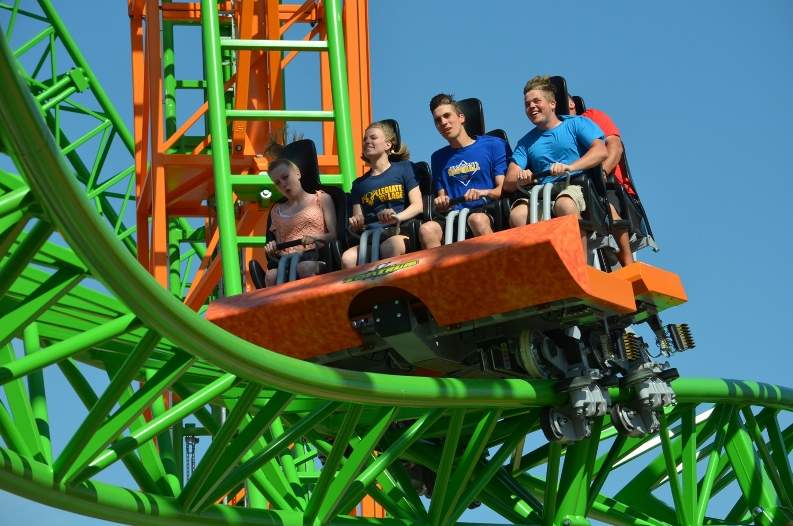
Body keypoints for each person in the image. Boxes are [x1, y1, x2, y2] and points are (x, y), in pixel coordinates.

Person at [503, 76, 607, 262]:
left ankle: (580, 265)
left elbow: (600, 151)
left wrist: (571, 167)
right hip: (543, 193)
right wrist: (522, 176)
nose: (531, 107)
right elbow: (509, 182)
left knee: (564, 205)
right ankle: (537, 266)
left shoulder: (575, 124)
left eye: (536, 101)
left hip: (573, 186)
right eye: (527, 104)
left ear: (552, 104)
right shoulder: (526, 143)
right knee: (518, 215)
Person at [419, 94, 508, 249]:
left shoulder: (494, 145)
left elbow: (502, 189)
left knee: (477, 220)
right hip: (455, 217)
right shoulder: (438, 158)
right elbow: (443, 198)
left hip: (486, 211)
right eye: (438, 120)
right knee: (427, 229)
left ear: (461, 117)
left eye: (447, 116)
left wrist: (482, 192)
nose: (443, 123)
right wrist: (441, 203)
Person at [341, 121, 423, 268]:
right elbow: (359, 219)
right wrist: (356, 223)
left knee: (390, 246)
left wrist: (396, 217)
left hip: (399, 230)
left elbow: (418, 205)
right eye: (365, 139)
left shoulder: (405, 168)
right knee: (348, 258)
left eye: (373, 138)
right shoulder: (359, 184)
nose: (367, 142)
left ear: (388, 145)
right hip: (372, 237)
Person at [566, 96, 635, 266]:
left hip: (607, 185)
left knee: (599, 199)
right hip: (573, 185)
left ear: (571, 103)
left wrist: (602, 173)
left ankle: (628, 263)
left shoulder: (593, 117)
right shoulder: (554, 131)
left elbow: (615, 147)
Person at [263, 157, 337, 286]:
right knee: (271, 276)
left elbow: (334, 235)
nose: (283, 184)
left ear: (297, 173)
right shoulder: (276, 211)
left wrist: (316, 237)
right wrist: (271, 248)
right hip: (285, 260)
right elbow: (274, 244)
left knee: (304, 267)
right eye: (277, 183)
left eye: (285, 177)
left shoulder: (321, 199)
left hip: (314, 256)